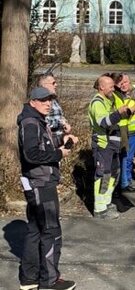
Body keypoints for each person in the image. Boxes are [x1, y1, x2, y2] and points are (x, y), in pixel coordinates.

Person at [19, 86, 79, 290]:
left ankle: (29, 279)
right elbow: (31, 154)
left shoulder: (36, 120)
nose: (48, 104)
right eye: (43, 100)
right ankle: (49, 281)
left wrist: (62, 140)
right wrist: (58, 154)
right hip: (41, 183)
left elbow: (43, 145)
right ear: (32, 102)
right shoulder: (30, 122)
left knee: (35, 230)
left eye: (50, 100)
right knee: (51, 232)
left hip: (38, 182)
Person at [88, 74, 130, 218]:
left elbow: (114, 120)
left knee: (113, 174)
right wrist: (118, 113)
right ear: (102, 87)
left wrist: (126, 113)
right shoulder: (97, 102)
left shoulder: (108, 100)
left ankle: (106, 202)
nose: (114, 88)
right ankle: (99, 209)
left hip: (112, 145)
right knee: (103, 175)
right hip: (103, 145)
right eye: (111, 86)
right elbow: (104, 122)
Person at [36, 73, 72, 145]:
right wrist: (61, 123)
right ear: (44, 85)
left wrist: (65, 125)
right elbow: (42, 122)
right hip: (48, 142)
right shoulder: (39, 102)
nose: (56, 85)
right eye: (53, 83)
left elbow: (59, 117)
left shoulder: (54, 100)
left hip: (59, 141)